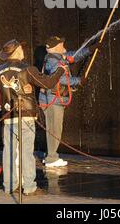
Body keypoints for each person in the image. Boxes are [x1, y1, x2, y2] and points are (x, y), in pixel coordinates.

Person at [0, 39, 65, 195]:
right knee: (26, 153)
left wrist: (5, 104)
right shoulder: (27, 69)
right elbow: (48, 83)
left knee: (9, 152)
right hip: (27, 117)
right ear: (16, 51)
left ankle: (9, 186)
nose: (23, 50)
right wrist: (60, 71)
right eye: (21, 48)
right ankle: (29, 187)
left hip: (9, 118)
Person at [39, 36, 98, 168]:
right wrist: (78, 81)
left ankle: (50, 156)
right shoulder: (52, 61)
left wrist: (88, 50)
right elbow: (59, 79)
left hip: (55, 99)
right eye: (61, 43)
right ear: (55, 47)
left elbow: (74, 56)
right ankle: (51, 158)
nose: (63, 45)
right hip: (52, 100)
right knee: (54, 129)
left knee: (54, 129)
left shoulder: (59, 57)